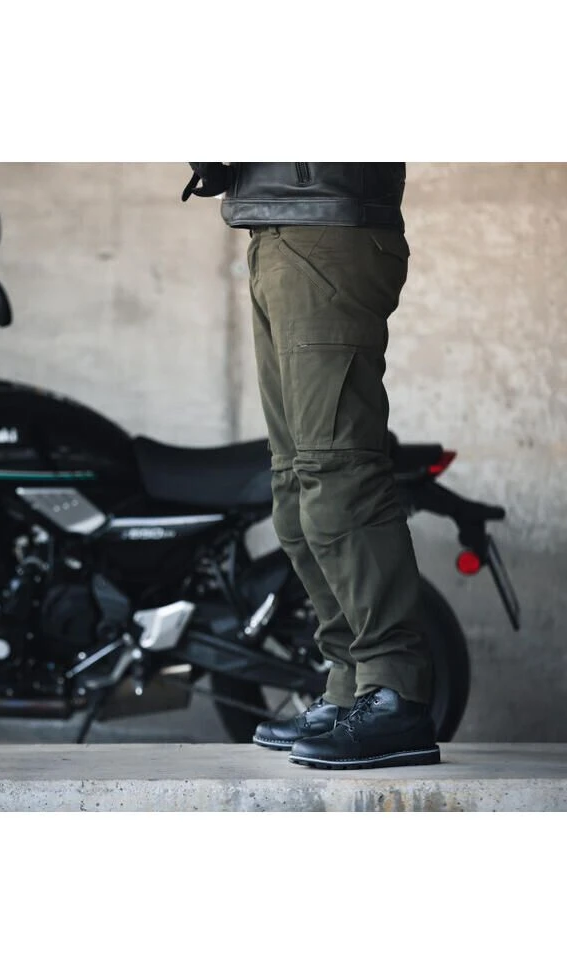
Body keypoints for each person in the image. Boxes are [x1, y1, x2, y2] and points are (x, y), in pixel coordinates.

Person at [183, 163, 439, 769]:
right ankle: (350, 683)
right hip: (274, 228)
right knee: (294, 484)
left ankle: (395, 691)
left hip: (325, 224)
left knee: (337, 475)